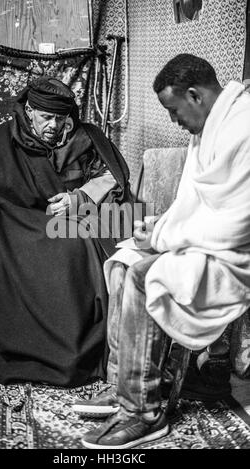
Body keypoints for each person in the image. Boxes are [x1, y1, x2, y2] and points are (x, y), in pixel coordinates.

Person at [76, 54, 250, 448]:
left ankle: (144, 413)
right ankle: (125, 386)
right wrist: (158, 228)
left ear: (195, 95)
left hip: (234, 253)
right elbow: (193, 205)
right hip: (203, 242)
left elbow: (238, 221)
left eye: (174, 110)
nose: (175, 121)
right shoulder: (205, 130)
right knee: (123, 262)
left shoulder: (244, 128)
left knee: (144, 276)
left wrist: (162, 238)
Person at [0, 76, 132, 387]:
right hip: (17, 223)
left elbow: (114, 177)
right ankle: (41, 346)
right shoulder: (4, 139)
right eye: (46, 117)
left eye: (60, 118)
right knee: (46, 250)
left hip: (75, 218)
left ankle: (85, 345)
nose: (53, 125)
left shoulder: (85, 137)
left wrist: (78, 199)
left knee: (79, 245)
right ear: (29, 110)